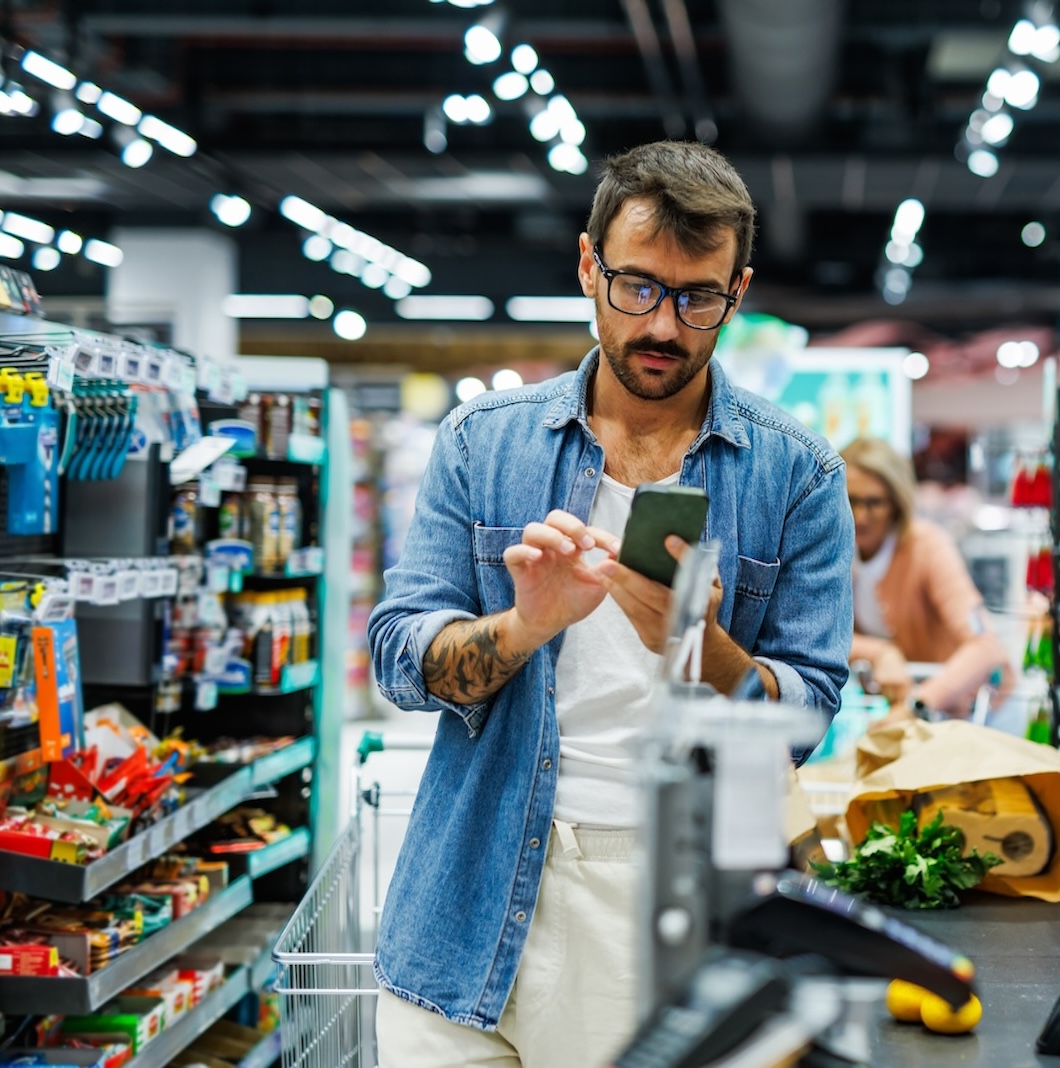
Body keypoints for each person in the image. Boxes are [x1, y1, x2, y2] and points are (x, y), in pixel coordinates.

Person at [366, 141, 854, 1068]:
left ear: (738, 289)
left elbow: (804, 721)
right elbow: (398, 656)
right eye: (637, 288)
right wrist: (526, 625)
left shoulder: (798, 474)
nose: (664, 325)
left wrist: (702, 644)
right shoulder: (483, 443)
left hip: (666, 907)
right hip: (466, 896)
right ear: (589, 266)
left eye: (698, 297)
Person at [841, 435, 1010, 717]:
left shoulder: (927, 546)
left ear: (897, 503)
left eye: (874, 503)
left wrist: (917, 704)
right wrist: (879, 653)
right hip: (901, 713)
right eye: (851, 500)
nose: (860, 516)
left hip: (966, 711)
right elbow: (818, 634)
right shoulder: (836, 551)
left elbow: (985, 646)